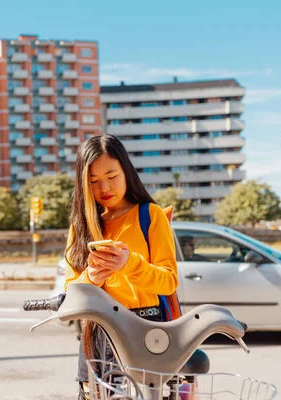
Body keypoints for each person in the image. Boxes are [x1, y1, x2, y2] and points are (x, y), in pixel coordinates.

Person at [63, 134, 178, 399]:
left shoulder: (150, 215)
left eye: (112, 176)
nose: (104, 187)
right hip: (96, 330)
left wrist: (129, 264)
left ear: (126, 171)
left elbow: (169, 281)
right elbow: (71, 291)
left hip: (145, 326)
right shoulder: (80, 225)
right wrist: (91, 277)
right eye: (93, 181)